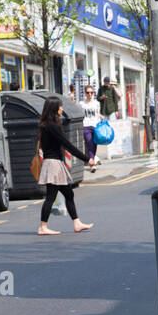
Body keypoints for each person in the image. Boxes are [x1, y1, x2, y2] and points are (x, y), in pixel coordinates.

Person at [35, 95, 94, 236]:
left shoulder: (47, 125)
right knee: (51, 196)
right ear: (54, 108)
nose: (62, 109)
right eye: (60, 106)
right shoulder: (52, 126)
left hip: (55, 163)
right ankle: (43, 227)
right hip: (53, 165)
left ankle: (77, 223)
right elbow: (67, 145)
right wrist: (87, 159)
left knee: (69, 193)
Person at [81, 84, 102, 166]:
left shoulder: (96, 103)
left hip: (95, 126)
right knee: (89, 144)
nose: (90, 94)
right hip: (86, 126)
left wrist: (101, 118)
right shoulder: (81, 104)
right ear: (85, 93)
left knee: (94, 145)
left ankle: (92, 160)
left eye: (91, 92)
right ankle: (92, 164)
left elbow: (97, 114)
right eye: (88, 92)